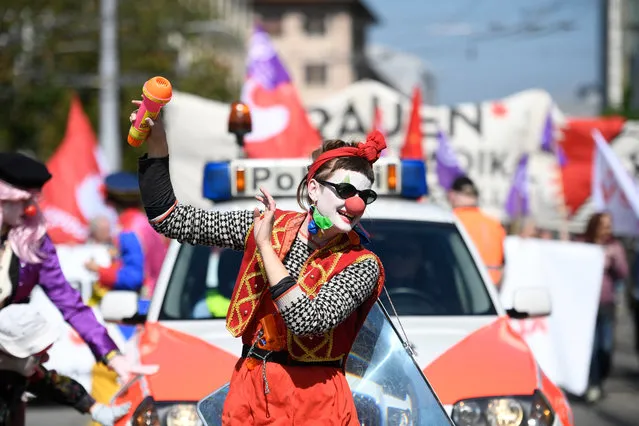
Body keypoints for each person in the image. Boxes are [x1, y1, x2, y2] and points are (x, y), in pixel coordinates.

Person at [134, 106, 386, 425]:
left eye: (366, 195)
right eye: (346, 191)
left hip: (317, 404)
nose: (356, 204)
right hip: (252, 394)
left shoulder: (364, 265)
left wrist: (265, 246)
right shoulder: (270, 224)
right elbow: (172, 220)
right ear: (313, 189)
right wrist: (158, 143)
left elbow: (308, 320)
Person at [0, 153, 157, 405]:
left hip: (10, 373)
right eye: (21, 201)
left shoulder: (34, 243)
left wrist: (112, 355)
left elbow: (70, 303)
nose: (30, 209)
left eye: (32, 200)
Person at [0, 303, 130, 426]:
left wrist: (94, 408)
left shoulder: (19, 371)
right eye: (39, 355)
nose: (46, 359)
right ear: (9, 353)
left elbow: (52, 383)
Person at [582, 212, 628, 403]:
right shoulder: (584, 245)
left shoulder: (614, 247)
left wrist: (615, 260)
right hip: (587, 305)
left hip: (606, 304)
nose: (606, 228)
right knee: (591, 348)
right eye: (603, 224)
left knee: (606, 347)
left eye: (609, 225)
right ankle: (593, 384)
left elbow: (623, 273)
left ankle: (600, 378)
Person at [100, 171, 168, 299]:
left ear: (111, 201)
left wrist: (100, 272)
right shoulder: (145, 223)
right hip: (156, 297)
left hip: (141, 304)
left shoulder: (129, 230)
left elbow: (134, 277)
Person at [448, 175, 506, 288]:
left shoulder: (452, 221)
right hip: (492, 290)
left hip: (461, 287)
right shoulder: (494, 224)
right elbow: (502, 266)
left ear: (452, 195)